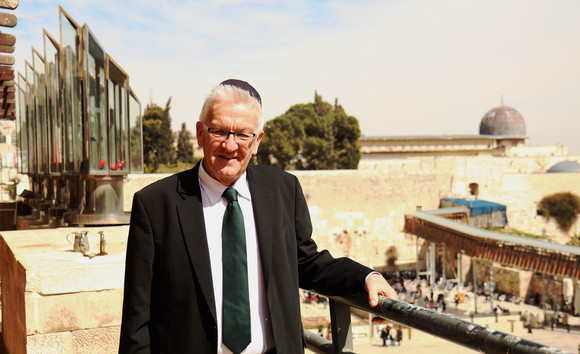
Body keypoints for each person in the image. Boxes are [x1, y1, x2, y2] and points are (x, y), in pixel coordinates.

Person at [119, 79, 398, 353]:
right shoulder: (156, 205)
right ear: (200, 133)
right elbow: (137, 316)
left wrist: (366, 277)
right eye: (219, 132)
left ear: (257, 141)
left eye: (242, 135)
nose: (230, 146)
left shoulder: (282, 190)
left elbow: (306, 261)